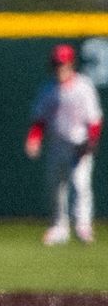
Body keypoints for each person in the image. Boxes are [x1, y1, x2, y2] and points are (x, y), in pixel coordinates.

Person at [25, 43, 103, 246]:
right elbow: (39, 119)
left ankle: (83, 226)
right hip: (57, 144)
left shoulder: (83, 86)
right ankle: (59, 227)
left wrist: (92, 140)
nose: (59, 68)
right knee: (55, 187)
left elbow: (94, 119)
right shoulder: (48, 89)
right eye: (57, 64)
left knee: (80, 185)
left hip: (78, 144)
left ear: (71, 64)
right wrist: (34, 138)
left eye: (63, 64)